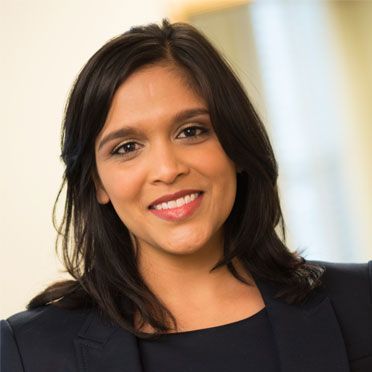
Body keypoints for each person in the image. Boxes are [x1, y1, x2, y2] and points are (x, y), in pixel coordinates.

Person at [1, 19, 371, 372]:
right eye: (127, 147)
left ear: (236, 146)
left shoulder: (361, 303)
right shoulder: (25, 352)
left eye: (191, 131)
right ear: (97, 183)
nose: (167, 169)